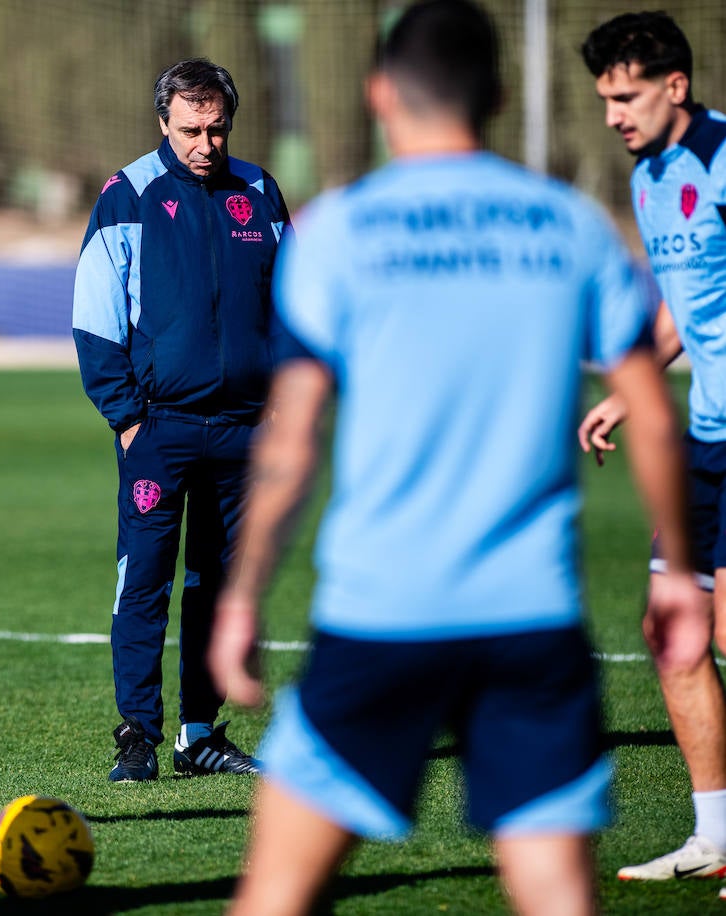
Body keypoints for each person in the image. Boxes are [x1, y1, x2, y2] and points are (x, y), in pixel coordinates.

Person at [207, 1, 699, 913]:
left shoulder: (337, 229)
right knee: (556, 897)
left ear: (379, 95)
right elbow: (653, 413)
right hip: (531, 615)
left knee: (274, 896)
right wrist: (680, 570)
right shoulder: (570, 225)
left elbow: (292, 435)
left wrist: (241, 596)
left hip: (380, 613)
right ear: (501, 96)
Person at [72, 57, 291, 782]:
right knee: (145, 584)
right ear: (163, 122)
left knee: (218, 586)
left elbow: (291, 311)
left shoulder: (259, 192)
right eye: (192, 129)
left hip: (243, 433)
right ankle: (137, 735)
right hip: (158, 430)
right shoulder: (128, 195)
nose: (205, 144)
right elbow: (95, 319)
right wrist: (127, 418)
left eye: (217, 129)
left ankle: (200, 736)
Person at [578, 11, 726, 884]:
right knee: (672, 632)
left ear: (675, 86)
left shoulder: (721, 158)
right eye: (603, 98)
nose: (613, 114)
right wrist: (630, 387)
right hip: (706, 438)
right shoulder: (648, 174)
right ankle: (715, 835)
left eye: (625, 96)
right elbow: (686, 301)